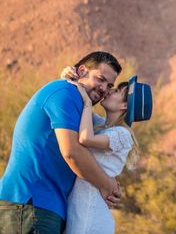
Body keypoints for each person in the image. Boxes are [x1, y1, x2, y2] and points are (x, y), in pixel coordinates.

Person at [0, 52, 123, 234]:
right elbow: (72, 151)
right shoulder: (66, 93)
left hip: (42, 207)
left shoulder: (81, 107)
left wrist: (110, 182)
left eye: (110, 85)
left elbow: (107, 133)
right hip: (30, 203)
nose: (104, 88)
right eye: (100, 79)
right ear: (82, 71)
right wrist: (106, 186)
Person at [62, 67, 152, 234]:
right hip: (80, 212)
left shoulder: (123, 134)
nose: (110, 90)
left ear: (125, 105)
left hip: (91, 216)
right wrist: (67, 77)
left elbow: (85, 138)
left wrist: (88, 103)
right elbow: (79, 111)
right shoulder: (101, 126)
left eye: (117, 90)